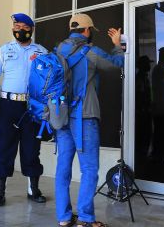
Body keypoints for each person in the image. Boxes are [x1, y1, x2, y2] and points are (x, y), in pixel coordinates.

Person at [55, 13, 124, 227]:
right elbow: (116, 64)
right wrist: (117, 45)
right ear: (86, 31)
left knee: (63, 169)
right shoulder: (90, 51)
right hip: (84, 116)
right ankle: (85, 218)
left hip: (61, 116)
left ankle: (64, 218)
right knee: (89, 170)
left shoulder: (57, 51)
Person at [0, 13, 48, 207]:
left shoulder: (42, 51)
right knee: (4, 147)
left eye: (23, 26)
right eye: (16, 26)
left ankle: (33, 188)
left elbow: (48, 79)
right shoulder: (5, 50)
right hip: (9, 105)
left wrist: (48, 105)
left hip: (33, 107)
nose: (19, 29)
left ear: (31, 29)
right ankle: (0, 191)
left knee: (31, 149)